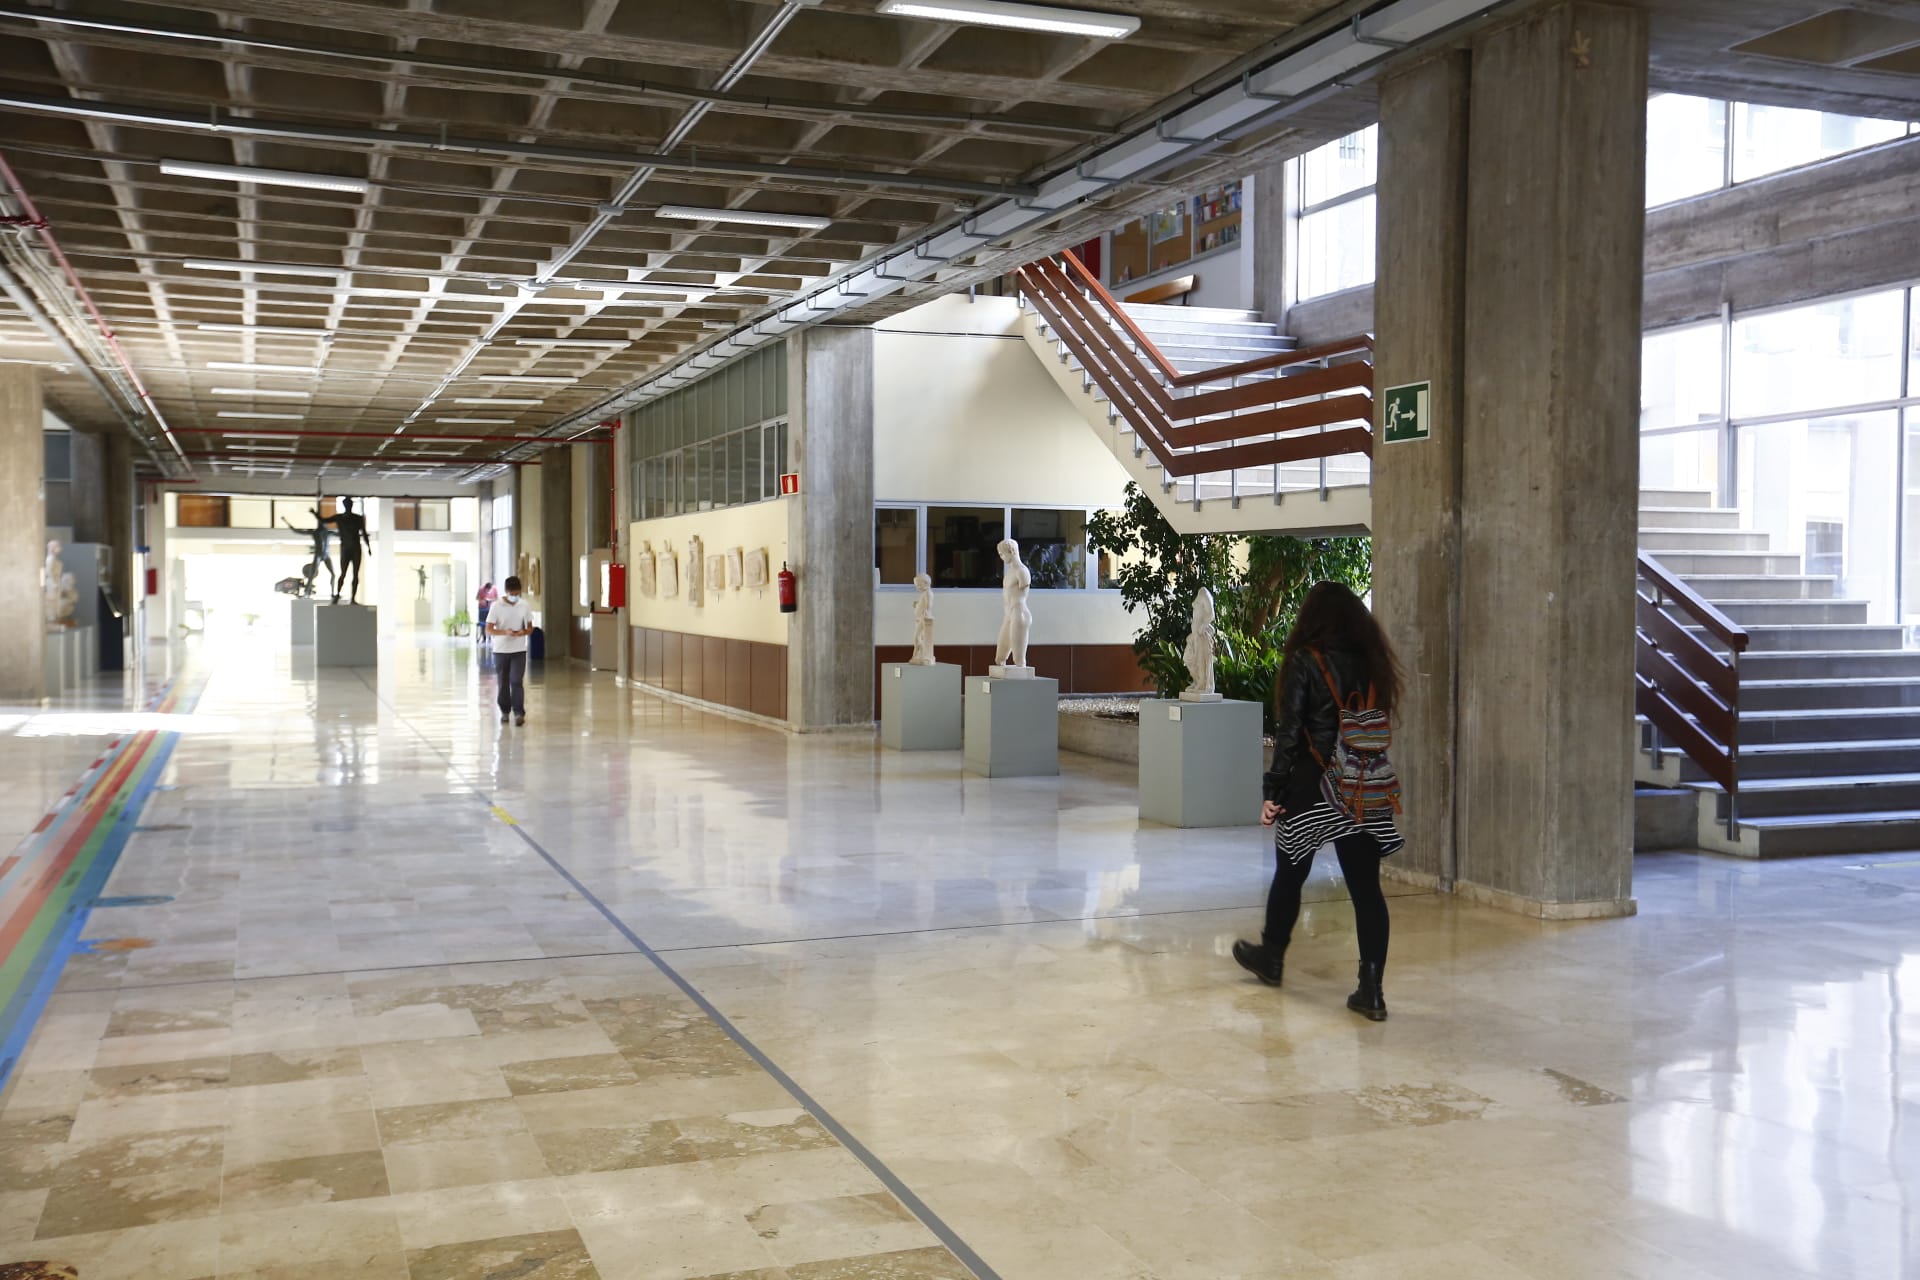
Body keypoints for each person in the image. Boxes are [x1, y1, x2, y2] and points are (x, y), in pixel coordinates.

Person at [1232, 581, 1405, 1020]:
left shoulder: (1304, 661)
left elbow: (1290, 733)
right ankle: (1371, 991)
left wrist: (1273, 790)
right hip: (1364, 784)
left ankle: (1272, 957)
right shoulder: (1372, 662)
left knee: (1290, 873)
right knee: (1367, 889)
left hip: (1314, 785)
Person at [487, 575, 533, 726]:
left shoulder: (524, 605)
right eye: (511, 594)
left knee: (516, 680)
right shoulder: (496, 606)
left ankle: (519, 713)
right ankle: (505, 711)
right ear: (506, 591)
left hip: (519, 650)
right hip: (501, 650)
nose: (514, 596)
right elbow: (489, 629)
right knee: (503, 682)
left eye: (516, 594)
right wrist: (504, 632)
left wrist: (523, 632)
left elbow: (530, 627)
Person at [321, 497, 372, 605]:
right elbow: (324, 520)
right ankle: (337, 595)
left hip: (354, 548)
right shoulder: (340, 517)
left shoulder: (357, 518)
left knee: (355, 574)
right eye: (347, 504)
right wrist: (314, 514)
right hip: (346, 548)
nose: (348, 506)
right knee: (343, 573)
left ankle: (352, 598)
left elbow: (363, 532)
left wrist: (369, 547)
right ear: (344, 505)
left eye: (350, 504)